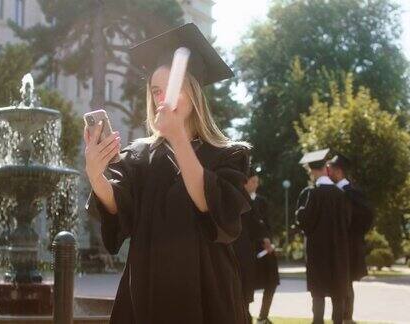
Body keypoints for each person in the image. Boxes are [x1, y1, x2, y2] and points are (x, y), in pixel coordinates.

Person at [85, 23, 251, 324]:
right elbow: (118, 207)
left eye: (171, 88)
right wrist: (96, 175)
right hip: (147, 292)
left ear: (194, 91)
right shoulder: (140, 155)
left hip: (207, 292)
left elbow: (211, 206)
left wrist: (177, 138)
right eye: (156, 91)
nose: (163, 98)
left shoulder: (229, 154)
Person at [295, 148, 351, 324]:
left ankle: (317, 321)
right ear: (326, 168)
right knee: (337, 293)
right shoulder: (341, 194)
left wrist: (299, 212)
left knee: (318, 293)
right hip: (338, 251)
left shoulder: (313, 193)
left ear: (312, 170)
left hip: (318, 253)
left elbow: (305, 220)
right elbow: (348, 222)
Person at [327, 154, 374, 323]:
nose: (327, 172)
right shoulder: (330, 192)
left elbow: (367, 216)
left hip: (349, 246)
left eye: (329, 169)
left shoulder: (352, 193)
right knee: (339, 283)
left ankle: (347, 317)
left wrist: (352, 233)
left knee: (346, 283)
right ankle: (341, 318)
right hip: (335, 245)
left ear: (338, 171)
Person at [245, 167, 280, 324]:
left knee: (272, 281)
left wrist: (268, 241)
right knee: (246, 284)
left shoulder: (262, 201)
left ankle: (263, 316)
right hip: (249, 249)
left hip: (266, 249)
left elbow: (267, 224)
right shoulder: (240, 201)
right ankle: (245, 315)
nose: (256, 184)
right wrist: (262, 239)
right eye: (253, 181)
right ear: (244, 183)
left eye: (257, 181)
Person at [236, 166, 269, 323]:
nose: (256, 184)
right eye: (253, 181)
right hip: (243, 250)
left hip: (244, 250)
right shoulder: (242, 198)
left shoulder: (238, 195)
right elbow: (256, 225)